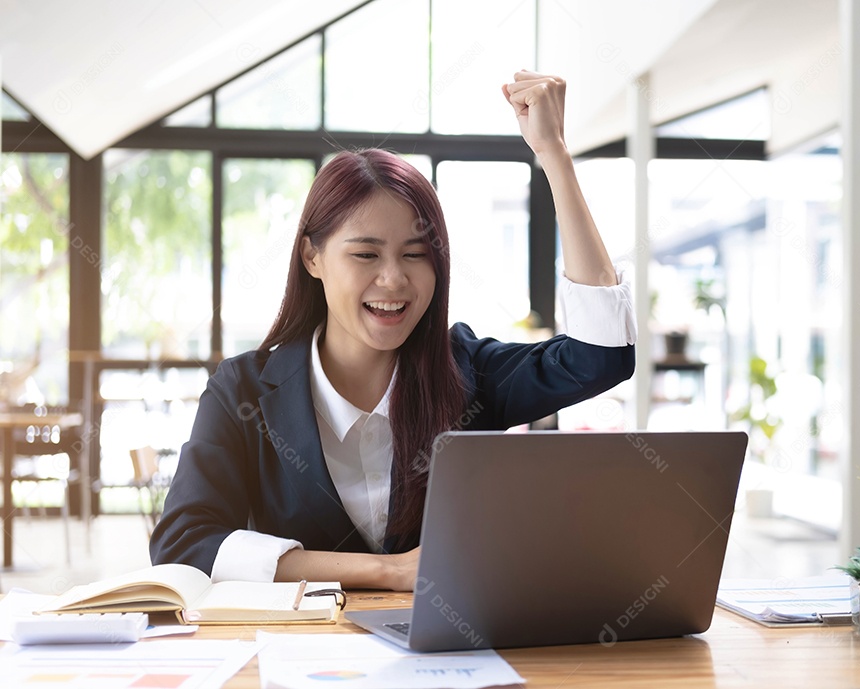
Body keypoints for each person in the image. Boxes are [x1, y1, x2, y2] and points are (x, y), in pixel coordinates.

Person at [149, 71, 636, 591]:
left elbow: (600, 355)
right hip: (296, 660)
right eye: (365, 254)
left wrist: (555, 156)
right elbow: (184, 543)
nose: (394, 279)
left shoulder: (467, 373)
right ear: (313, 257)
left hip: (441, 658)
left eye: (415, 255)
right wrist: (389, 571)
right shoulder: (243, 391)